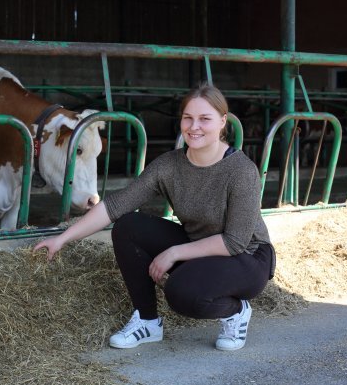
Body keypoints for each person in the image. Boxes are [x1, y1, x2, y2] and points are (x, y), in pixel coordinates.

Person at [33, 82, 276, 351]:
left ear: (222, 122)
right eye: (188, 118)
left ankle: (235, 311)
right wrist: (62, 239)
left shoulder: (241, 170)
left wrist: (174, 253)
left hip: (247, 258)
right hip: (200, 246)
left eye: (204, 119)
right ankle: (147, 322)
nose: (194, 127)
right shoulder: (170, 165)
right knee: (127, 226)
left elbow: (235, 242)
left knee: (182, 293)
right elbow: (116, 205)